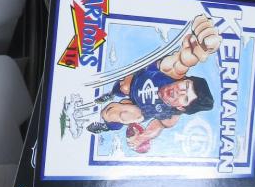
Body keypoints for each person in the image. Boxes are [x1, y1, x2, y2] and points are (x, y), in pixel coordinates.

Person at [83, 12, 217, 153]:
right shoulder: (170, 72)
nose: (179, 92)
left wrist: (141, 138)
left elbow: (159, 125)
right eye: (186, 86)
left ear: (181, 107)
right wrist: (199, 50)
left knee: (119, 115)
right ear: (184, 79)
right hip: (133, 81)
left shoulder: (170, 115)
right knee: (125, 87)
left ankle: (107, 126)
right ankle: (112, 94)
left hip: (136, 106)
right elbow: (183, 61)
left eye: (185, 98)